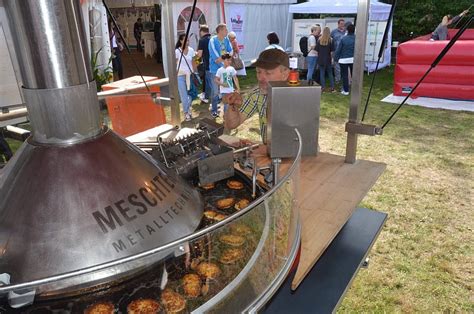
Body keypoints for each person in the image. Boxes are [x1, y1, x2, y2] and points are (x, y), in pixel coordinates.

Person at [224, 49, 290, 143]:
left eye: (268, 73)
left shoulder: (299, 97)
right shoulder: (257, 94)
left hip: (301, 153)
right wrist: (233, 105)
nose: (261, 78)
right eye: (258, 72)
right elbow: (232, 124)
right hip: (270, 152)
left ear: (285, 74)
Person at [208, 23, 233, 118]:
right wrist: (224, 60)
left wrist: (224, 59)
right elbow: (215, 57)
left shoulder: (226, 40)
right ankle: (214, 109)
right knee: (215, 91)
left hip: (226, 69)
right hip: (215, 69)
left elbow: (230, 52)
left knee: (227, 90)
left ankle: (226, 112)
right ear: (220, 31)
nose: (227, 31)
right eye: (225, 29)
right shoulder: (212, 40)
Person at [175, 34, 196, 122]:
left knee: (192, 94)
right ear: (180, 41)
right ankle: (186, 112)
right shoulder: (177, 51)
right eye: (185, 40)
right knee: (183, 95)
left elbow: (195, 61)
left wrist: (194, 71)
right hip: (180, 75)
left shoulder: (191, 50)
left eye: (188, 40)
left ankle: (188, 107)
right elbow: (175, 63)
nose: (187, 42)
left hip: (190, 75)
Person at [335, 23, 355, 96]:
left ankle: (346, 91)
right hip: (353, 59)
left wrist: (336, 58)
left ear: (347, 30)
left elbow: (338, 50)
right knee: (354, 76)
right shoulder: (357, 38)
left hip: (343, 60)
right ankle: (355, 91)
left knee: (345, 76)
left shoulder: (343, 38)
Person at [316, 26, 335, 92]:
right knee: (330, 73)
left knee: (322, 73)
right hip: (328, 59)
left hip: (321, 59)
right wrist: (332, 59)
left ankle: (323, 87)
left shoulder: (319, 40)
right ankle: (332, 87)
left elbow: (317, 50)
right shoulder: (331, 40)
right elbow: (332, 51)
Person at [196, 24, 211, 104]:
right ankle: (206, 95)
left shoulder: (202, 40)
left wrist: (196, 64)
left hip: (207, 64)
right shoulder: (213, 39)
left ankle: (206, 97)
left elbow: (199, 55)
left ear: (201, 31)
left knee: (207, 81)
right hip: (216, 64)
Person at [330, 19, 346, 84]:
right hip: (336, 52)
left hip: (344, 52)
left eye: (343, 24)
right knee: (336, 67)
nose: (342, 25)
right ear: (338, 24)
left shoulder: (346, 32)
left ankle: (344, 79)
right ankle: (337, 79)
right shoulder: (333, 32)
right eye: (341, 23)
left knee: (344, 66)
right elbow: (330, 40)